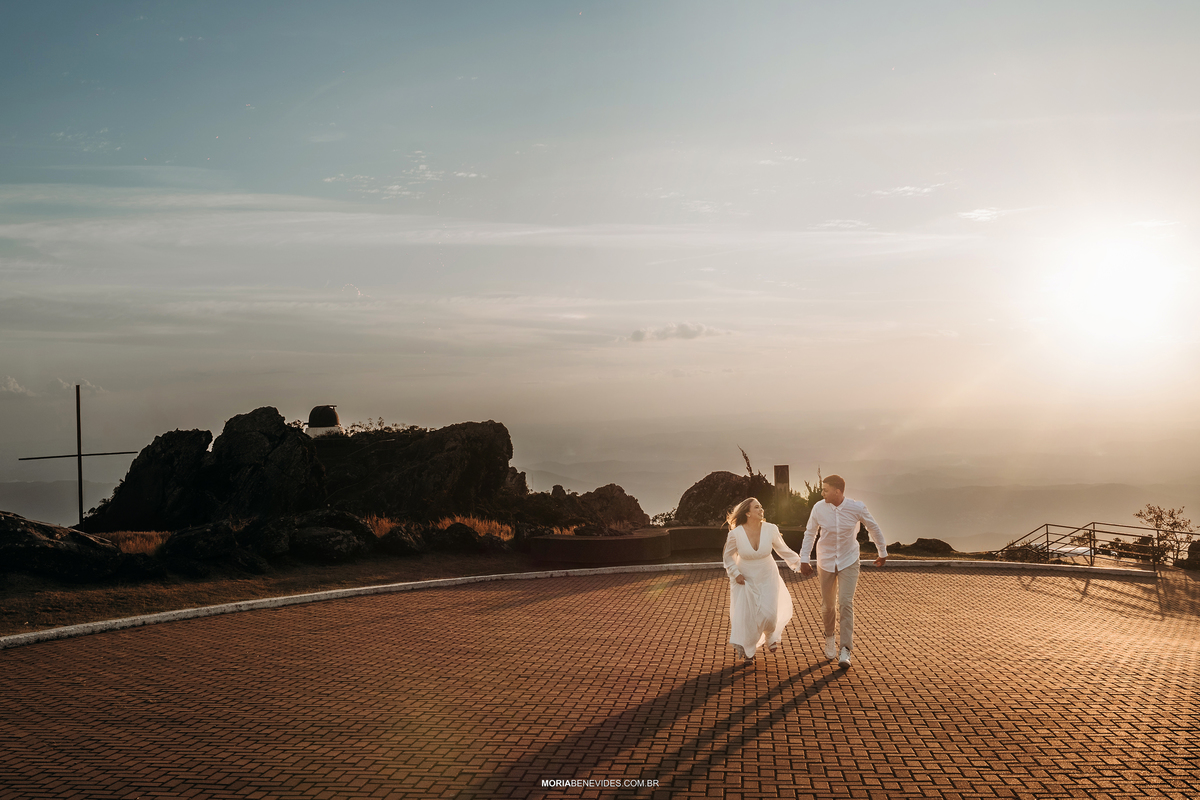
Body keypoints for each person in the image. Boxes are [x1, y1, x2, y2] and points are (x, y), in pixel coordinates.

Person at [798, 474, 887, 669]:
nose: (822, 493)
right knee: (828, 606)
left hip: (849, 560)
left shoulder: (857, 507)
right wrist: (804, 559)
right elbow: (810, 533)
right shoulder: (818, 508)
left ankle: (845, 649)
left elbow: (873, 527)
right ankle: (829, 637)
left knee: (846, 602)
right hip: (826, 561)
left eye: (825, 490)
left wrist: (882, 551)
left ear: (837, 491)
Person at [722, 497, 803, 663]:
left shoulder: (770, 529)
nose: (761, 510)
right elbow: (727, 556)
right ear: (748, 513)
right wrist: (735, 573)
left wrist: (800, 564)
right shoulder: (735, 534)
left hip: (768, 575)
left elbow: (783, 550)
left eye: (761, 507)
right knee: (748, 616)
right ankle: (748, 650)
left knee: (769, 613)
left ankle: (770, 634)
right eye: (757, 507)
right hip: (745, 578)